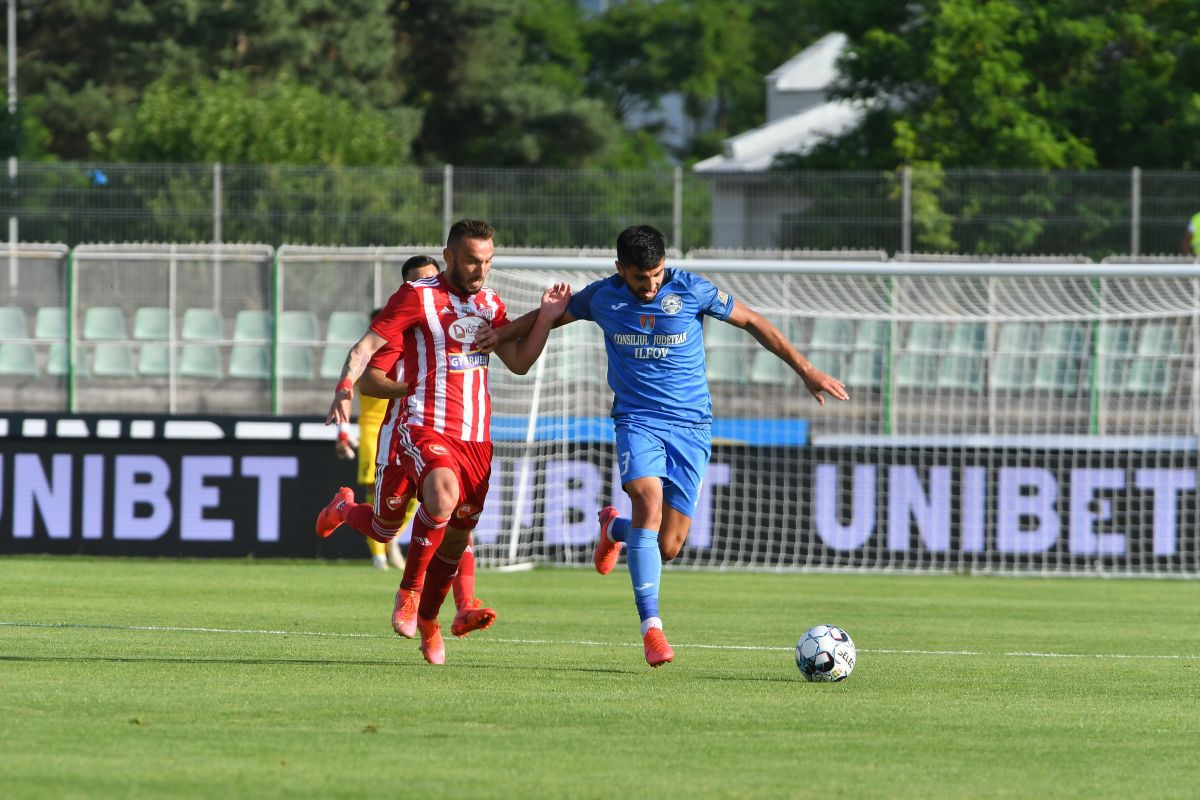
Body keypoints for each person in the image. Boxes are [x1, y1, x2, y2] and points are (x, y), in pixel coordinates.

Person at [490, 224, 848, 668]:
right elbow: (544, 318)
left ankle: (614, 529)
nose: (651, 286)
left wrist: (807, 370)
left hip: (692, 426)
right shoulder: (602, 297)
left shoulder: (692, 290)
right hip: (637, 420)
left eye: (657, 274)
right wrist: (496, 336)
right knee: (647, 500)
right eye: (641, 278)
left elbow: (753, 321)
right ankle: (652, 629)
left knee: (669, 545)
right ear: (621, 269)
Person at [317, 219, 571, 665]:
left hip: (476, 440)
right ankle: (409, 592)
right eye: (472, 260)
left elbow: (519, 362)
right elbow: (365, 348)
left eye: (488, 261)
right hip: (423, 426)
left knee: (448, 540)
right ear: (449, 256)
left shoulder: (490, 304)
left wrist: (547, 320)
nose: (481, 270)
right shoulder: (417, 296)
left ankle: (431, 622)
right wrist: (344, 387)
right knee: (441, 495)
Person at [335, 258, 442, 570]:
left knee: (424, 496)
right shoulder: (378, 348)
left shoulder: (433, 337)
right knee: (378, 498)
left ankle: (391, 542)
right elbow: (353, 388)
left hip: (420, 428)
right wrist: (343, 432)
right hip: (377, 431)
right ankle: (379, 555)